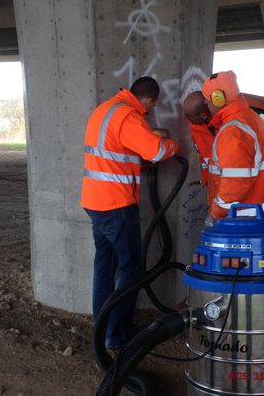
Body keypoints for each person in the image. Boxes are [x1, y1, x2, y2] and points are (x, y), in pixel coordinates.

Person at [80, 76, 178, 349]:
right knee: (130, 268)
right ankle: (117, 334)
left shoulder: (104, 110)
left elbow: (115, 153)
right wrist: (174, 147)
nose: (148, 113)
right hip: (116, 206)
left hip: (95, 201)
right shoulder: (128, 116)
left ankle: (101, 327)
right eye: (150, 108)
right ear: (150, 100)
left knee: (105, 265)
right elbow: (157, 150)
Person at [201, 71, 264, 220]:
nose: (205, 103)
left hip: (237, 218)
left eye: (207, 99)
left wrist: (216, 212)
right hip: (251, 213)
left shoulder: (233, 131)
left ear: (218, 99)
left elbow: (234, 184)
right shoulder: (251, 118)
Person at [183, 91, 214, 187]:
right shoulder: (196, 128)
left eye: (189, 116)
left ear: (203, 115)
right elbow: (203, 157)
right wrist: (206, 178)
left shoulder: (227, 128)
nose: (186, 119)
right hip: (212, 185)